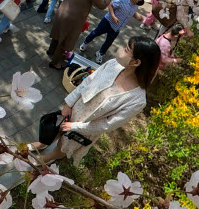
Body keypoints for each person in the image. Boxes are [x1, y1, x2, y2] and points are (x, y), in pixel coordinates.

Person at [38, 36, 160, 164]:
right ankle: (42, 144)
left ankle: (49, 157)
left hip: (86, 127)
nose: (121, 50)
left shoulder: (137, 100)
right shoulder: (114, 64)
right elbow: (88, 82)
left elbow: (108, 124)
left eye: (126, 49)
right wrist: (69, 104)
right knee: (55, 130)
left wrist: (75, 127)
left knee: (63, 147)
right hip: (75, 109)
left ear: (136, 62)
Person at [47, 0, 111, 69]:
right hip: (72, 18)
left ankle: (51, 51)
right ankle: (55, 62)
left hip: (63, 10)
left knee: (58, 35)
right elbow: (101, 6)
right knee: (65, 40)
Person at [79, 0, 148, 62]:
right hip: (107, 22)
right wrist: (113, 17)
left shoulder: (135, 5)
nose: (140, 1)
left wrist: (140, 18)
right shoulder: (122, 0)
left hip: (117, 28)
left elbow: (132, 13)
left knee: (108, 42)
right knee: (95, 33)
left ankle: (100, 53)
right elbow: (111, 5)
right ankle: (85, 42)